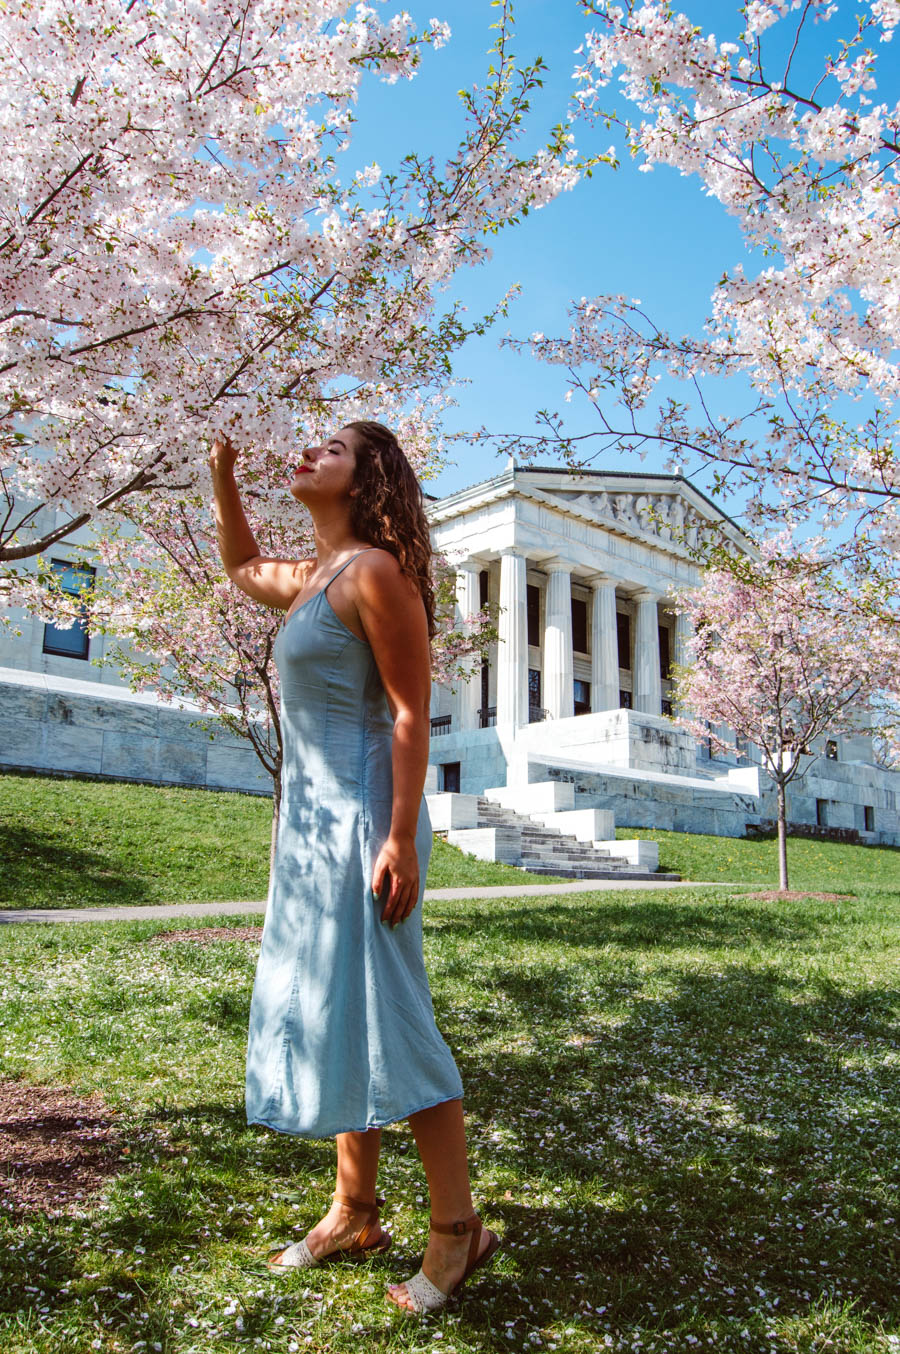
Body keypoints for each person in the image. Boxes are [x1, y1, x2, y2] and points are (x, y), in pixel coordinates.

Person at [209, 421, 500, 1314]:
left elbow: (412, 714)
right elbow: (240, 566)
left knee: (392, 1013)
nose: (305, 454)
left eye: (328, 449)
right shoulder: (308, 581)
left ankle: (458, 1232)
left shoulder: (375, 570)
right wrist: (222, 477)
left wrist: (402, 836)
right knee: (336, 1009)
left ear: (365, 477)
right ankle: (353, 1210)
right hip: (306, 824)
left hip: (365, 821)